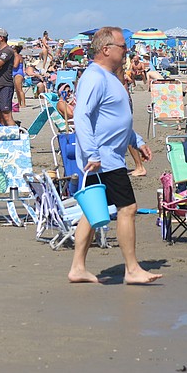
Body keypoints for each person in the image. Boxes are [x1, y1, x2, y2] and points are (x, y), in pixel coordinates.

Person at [68, 26, 162, 285]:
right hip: (103, 158)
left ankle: (77, 268)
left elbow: (114, 119)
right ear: (106, 49)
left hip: (107, 155)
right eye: (123, 46)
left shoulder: (109, 76)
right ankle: (132, 269)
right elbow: (82, 116)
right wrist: (92, 153)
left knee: (92, 210)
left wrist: (136, 140)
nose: (127, 50)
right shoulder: (94, 77)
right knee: (128, 208)